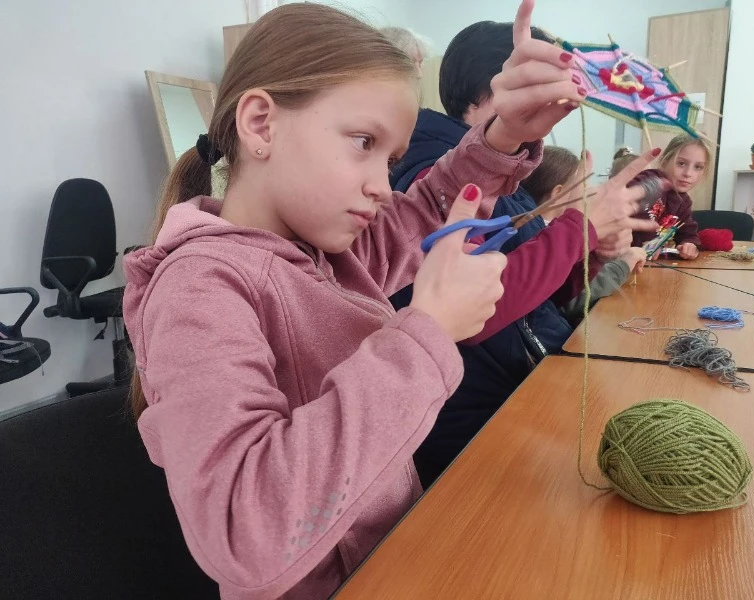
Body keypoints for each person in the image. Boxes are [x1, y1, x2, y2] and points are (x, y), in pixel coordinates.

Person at [122, 2, 646, 597]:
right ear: (261, 124)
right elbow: (245, 532)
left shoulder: (328, 251)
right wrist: (427, 332)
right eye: (362, 142)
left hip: (395, 563)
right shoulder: (199, 287)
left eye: (391, 159)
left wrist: (507, 133)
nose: (380, 184)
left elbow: (424, 208)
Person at [387, 18, 658, 487]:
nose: (558, 107)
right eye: (542, 85)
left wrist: (590, 251)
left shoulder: (506, 174)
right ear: (489, 91)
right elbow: (478, 312)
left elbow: (538, 294)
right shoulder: (430, 174)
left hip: (531, 382)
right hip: (478, 423)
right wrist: (580, 228)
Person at [521, 146, 647, 325]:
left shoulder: (545, 230)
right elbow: (570, 300)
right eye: (582, 187)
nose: (589, 194)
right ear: (559, 194)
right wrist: (623, 265)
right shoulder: (545, 237)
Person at [632, 135, 709, 259]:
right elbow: (628, 197)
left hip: (649, 265)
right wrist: (650, 240)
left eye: (698, 167)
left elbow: (688, 233)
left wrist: (689, 244)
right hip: (617, 261)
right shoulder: (648, 180)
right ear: (665, 160)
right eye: (681, 163)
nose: (688, 173)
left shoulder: (684, 202)